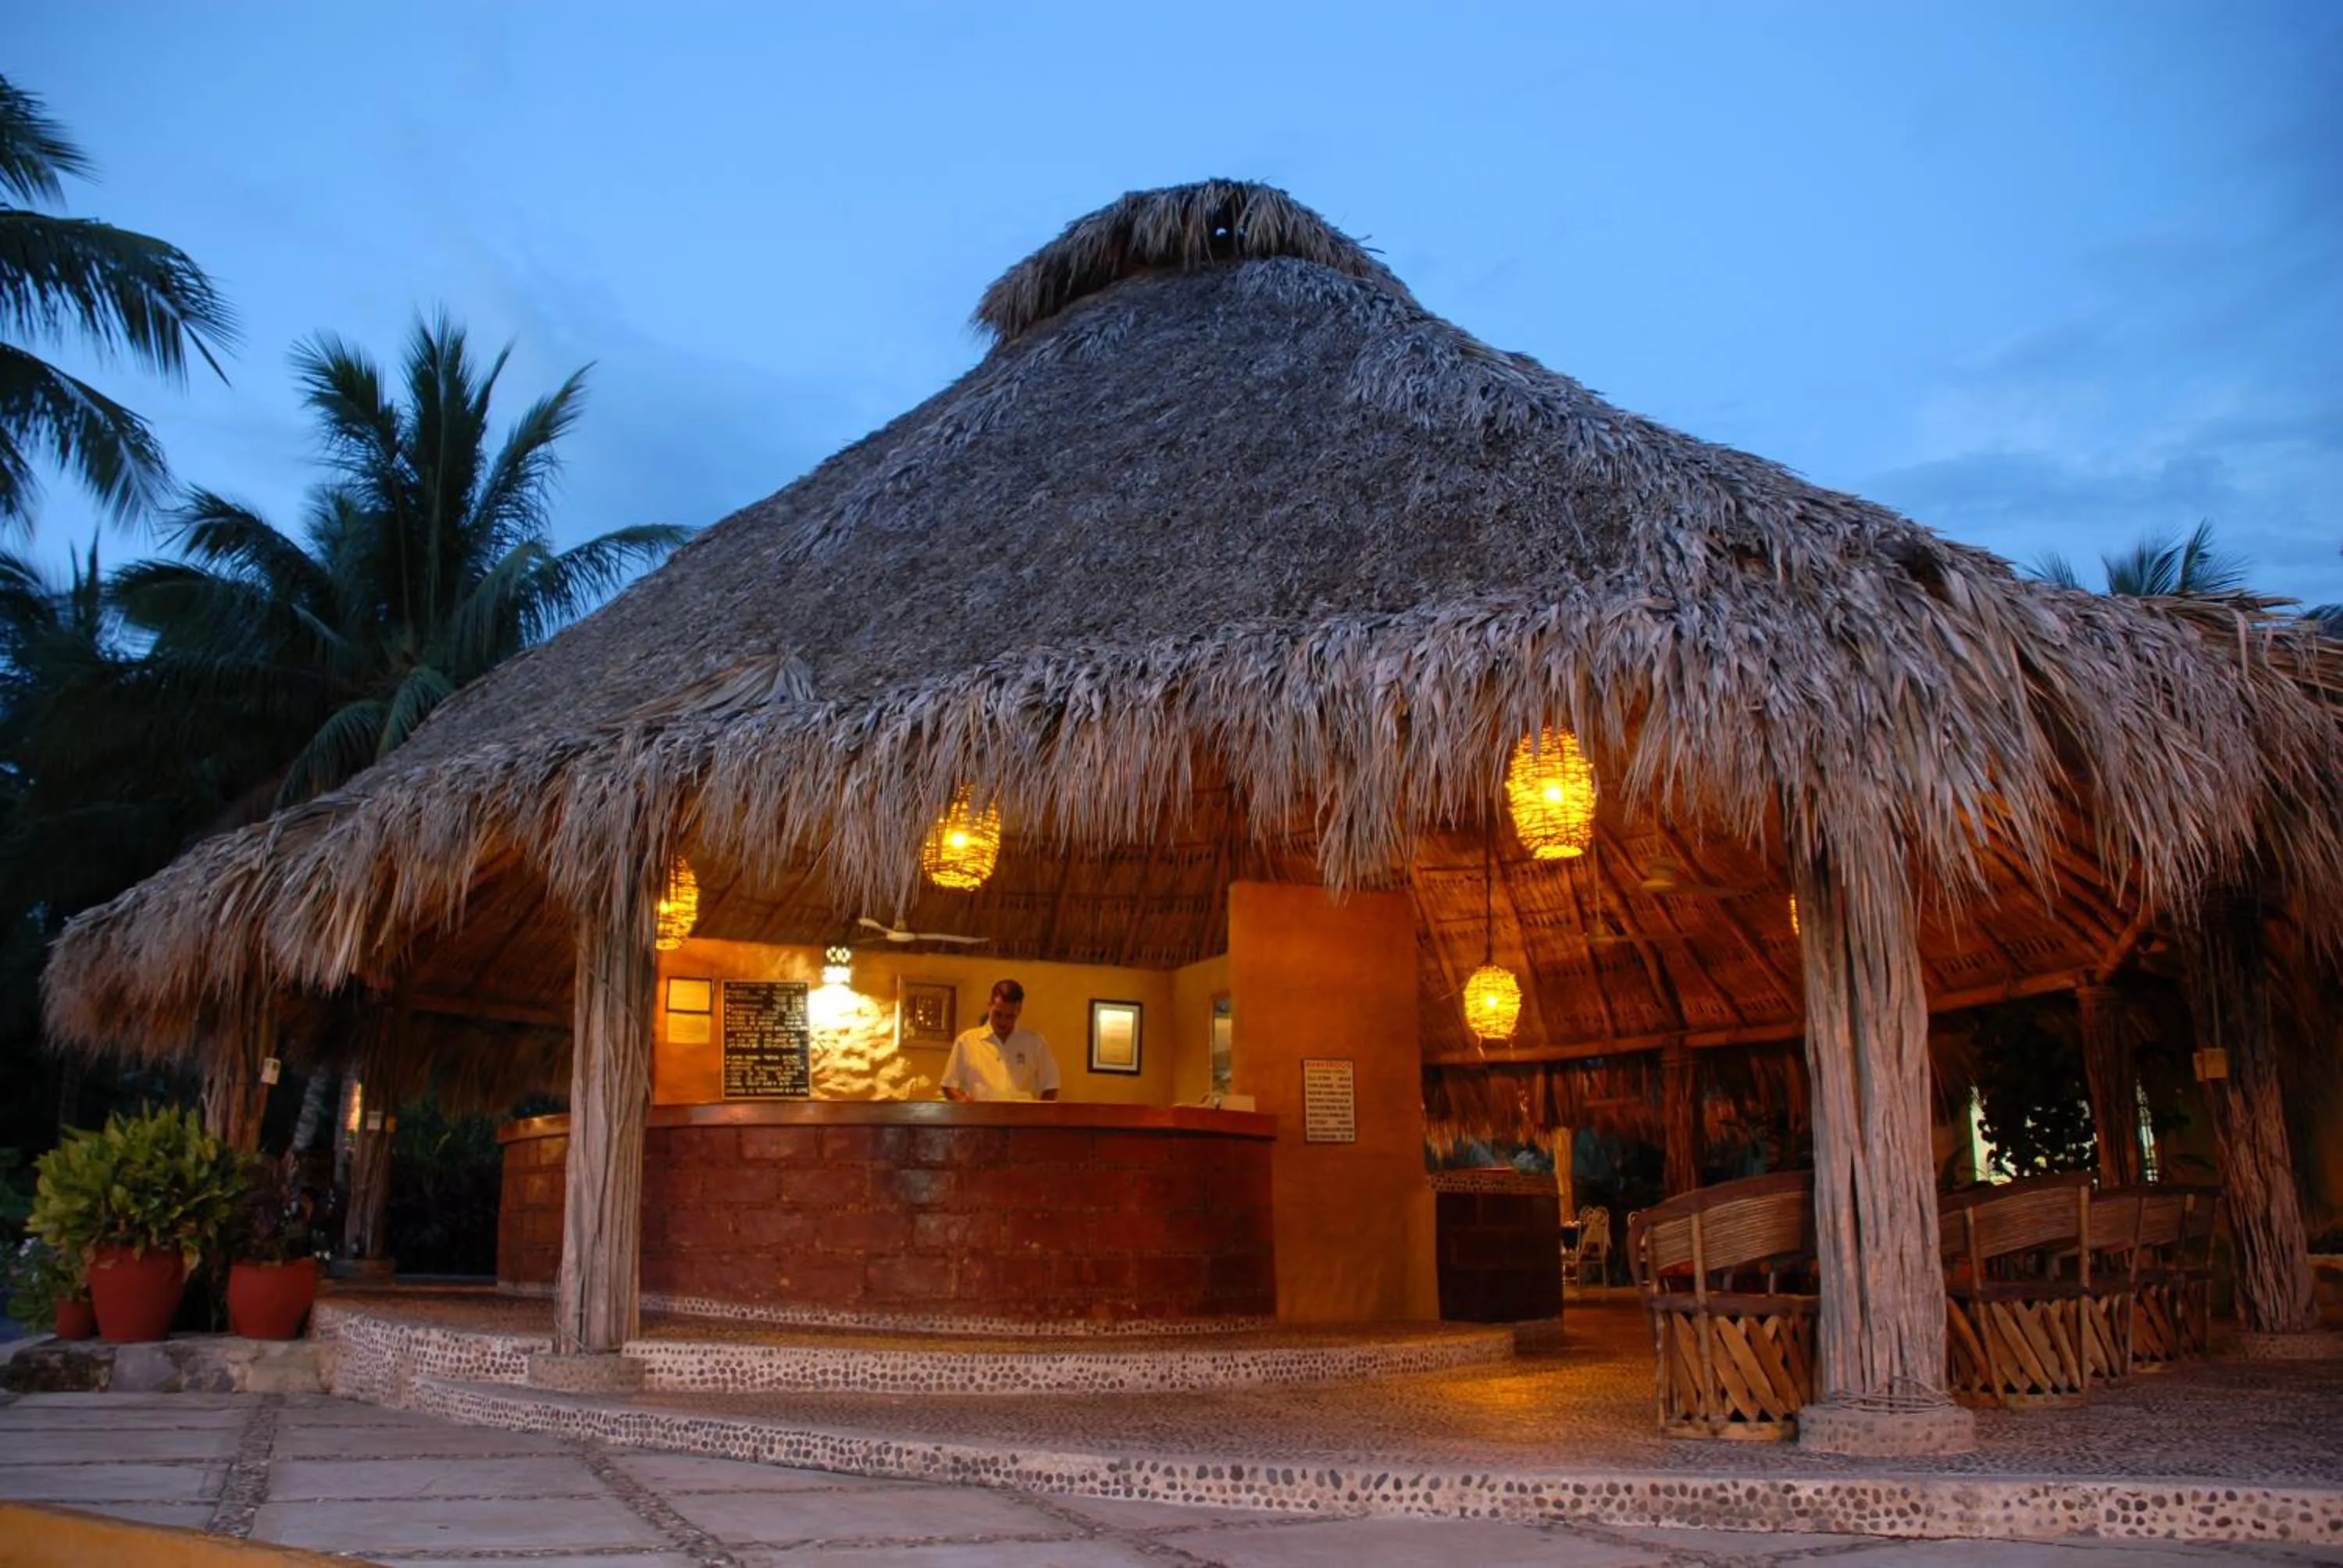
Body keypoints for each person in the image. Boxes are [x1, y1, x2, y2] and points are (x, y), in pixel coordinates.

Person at [940, 979, 1061, 1102]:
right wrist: (965, 1104)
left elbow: (1051, 1085)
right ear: (990, 1006)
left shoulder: (1035, 1043)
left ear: (1019, 1011)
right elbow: (949, 1084)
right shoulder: (967, 1041)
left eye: (1010, 1016)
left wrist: (1040, 1115)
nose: (1003, 1022)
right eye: (998, 1014)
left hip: (1022, 1119)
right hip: (979, 1118)